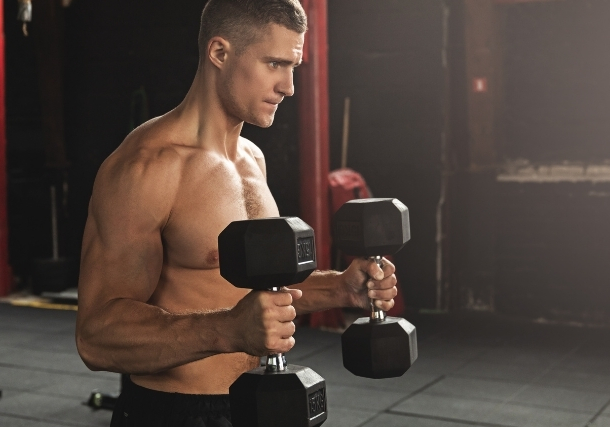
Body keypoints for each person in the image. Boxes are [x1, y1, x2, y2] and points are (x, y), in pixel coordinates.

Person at [75, 0, 398, 425]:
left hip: (259, 404)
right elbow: (97, 336)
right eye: (274, 64)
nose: (289, 87)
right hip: (176, 413)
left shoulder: (251, 160)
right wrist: (228, 330)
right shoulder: (148, 166)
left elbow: (247, 298)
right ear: (220, 53)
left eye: (294, 67)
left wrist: (341, 289)